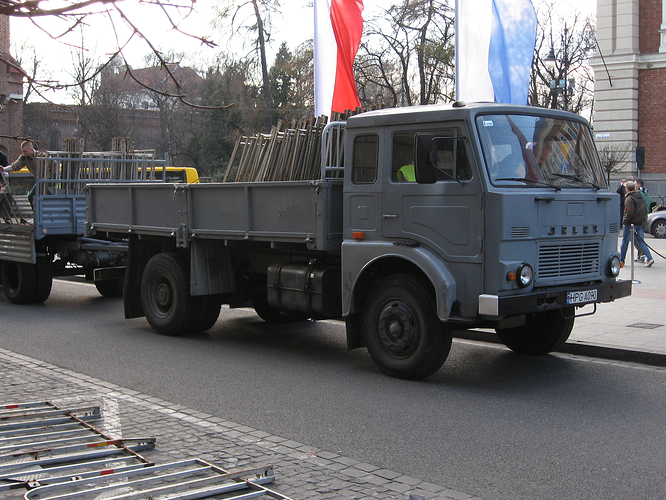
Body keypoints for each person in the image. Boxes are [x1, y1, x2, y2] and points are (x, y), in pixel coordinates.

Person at [620, 181, 654, 268]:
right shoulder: (640, 196)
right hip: (639, 222)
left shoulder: (629, 198)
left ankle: (621, 260)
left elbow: (629, 212)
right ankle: (650, 258)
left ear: (627, 189)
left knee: (625, 242)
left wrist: (624, 221)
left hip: (631, 223)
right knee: (641, 241)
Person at [1, 141, 38, 206]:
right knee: (31, 197)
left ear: (31, 149)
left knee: (33, 196)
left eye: (25, 151)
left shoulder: (41, 156)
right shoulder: (23, 158)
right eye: (23, 151)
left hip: (47, 179)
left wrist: (49, 176)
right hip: (39, 181)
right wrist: (4, 169)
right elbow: (14, 166)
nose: (23, 153)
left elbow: (54, 164)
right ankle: (36, 214)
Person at [633, 178, 652, 261]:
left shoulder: (639, 194)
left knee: (636, 239)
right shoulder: (646, 193)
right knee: (639, 238)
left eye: (635, 184)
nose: (634, 185)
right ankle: (640, 255)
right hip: (645, 217)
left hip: (639, 218)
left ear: (638, 184)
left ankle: (643, 254)